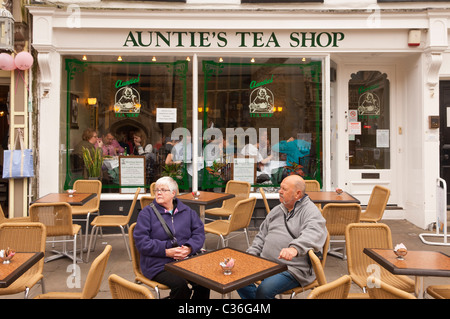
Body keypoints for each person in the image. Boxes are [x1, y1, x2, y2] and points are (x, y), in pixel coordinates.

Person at [237, 174, 327, 299]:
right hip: (265, 263)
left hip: (292, 269)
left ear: (297, 194)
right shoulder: (277, 210)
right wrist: (250, 255)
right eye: (280, 188)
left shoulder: (310, 212)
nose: (279, 191)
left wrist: (294, 248)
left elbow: (314, 232)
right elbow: (261, 236)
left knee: (264, 290)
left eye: (284, 189)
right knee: (236, 276)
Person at [133, 176, 210, 299]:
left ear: (173, 193)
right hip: (157, 264)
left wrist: (189, 248)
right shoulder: (146, 214)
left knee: (205, 282)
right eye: (157, 190)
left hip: (185, 260)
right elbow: (142, 242)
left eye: (163, 190)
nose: (158, 193)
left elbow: (199, 233)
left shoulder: (187, 212)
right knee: (180, 286)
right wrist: (166, 251)